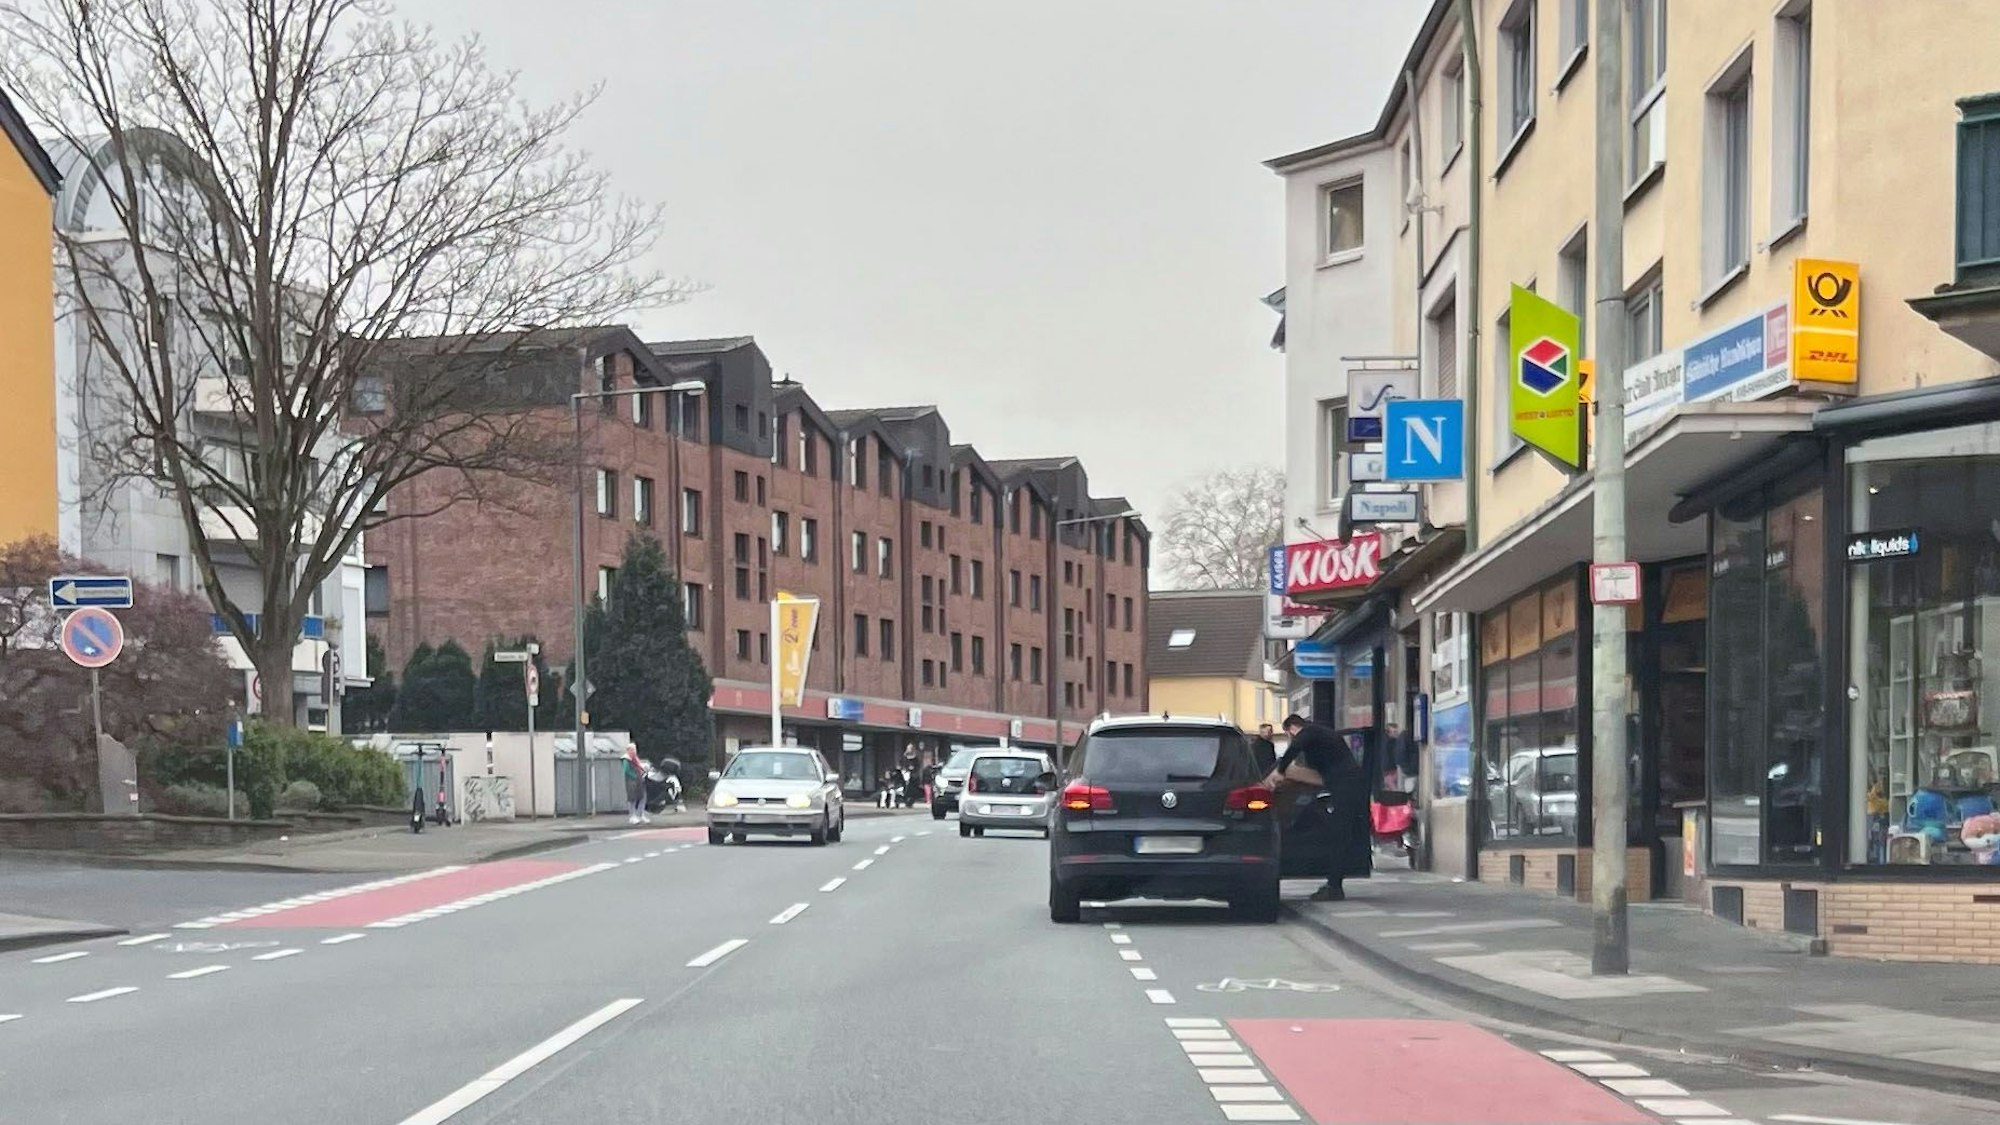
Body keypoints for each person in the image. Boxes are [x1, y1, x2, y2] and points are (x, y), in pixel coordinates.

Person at [1271, 713, 1371, 902]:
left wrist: (1281, 770)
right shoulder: (1323, 735)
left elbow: (1295, 747)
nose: (1292, 737)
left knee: (1340, 833)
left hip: (1346, 786)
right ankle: (1337, 882)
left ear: (1292, 728)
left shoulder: (1310, 732)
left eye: (1290, 734)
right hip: (1351, 785)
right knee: (1345, 832)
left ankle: (1334, 886)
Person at [622, 741, 650, 825]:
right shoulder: (626, 759)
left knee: (642, 797)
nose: (634, 751)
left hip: (639, 779)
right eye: (632, 749)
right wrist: (634, 776)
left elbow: (640, 766)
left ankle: (640, 814)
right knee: (632, 798)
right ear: (628, 750)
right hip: (631, 781)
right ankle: (632, 816)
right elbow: (626, 770)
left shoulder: (635, 758)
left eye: (635, 749)